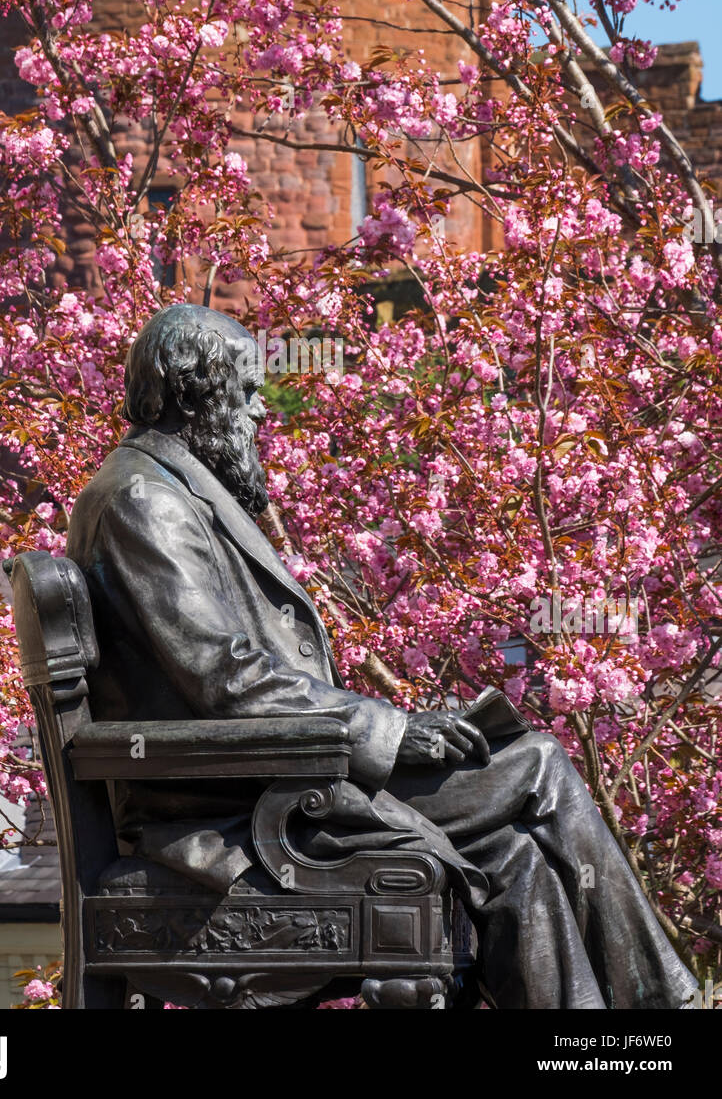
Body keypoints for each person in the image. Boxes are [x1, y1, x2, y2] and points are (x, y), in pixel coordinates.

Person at [66, 304, 696, 1009]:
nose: (261, 412)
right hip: (239, 808)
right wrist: (398, 733)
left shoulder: (171, 493)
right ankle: (662, 1013)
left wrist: (398, 729)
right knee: (538, 764)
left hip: (282, 778)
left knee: (519, 861)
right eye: (244, 392)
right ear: (191, 392)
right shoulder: (142, 501)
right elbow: (229, 681)